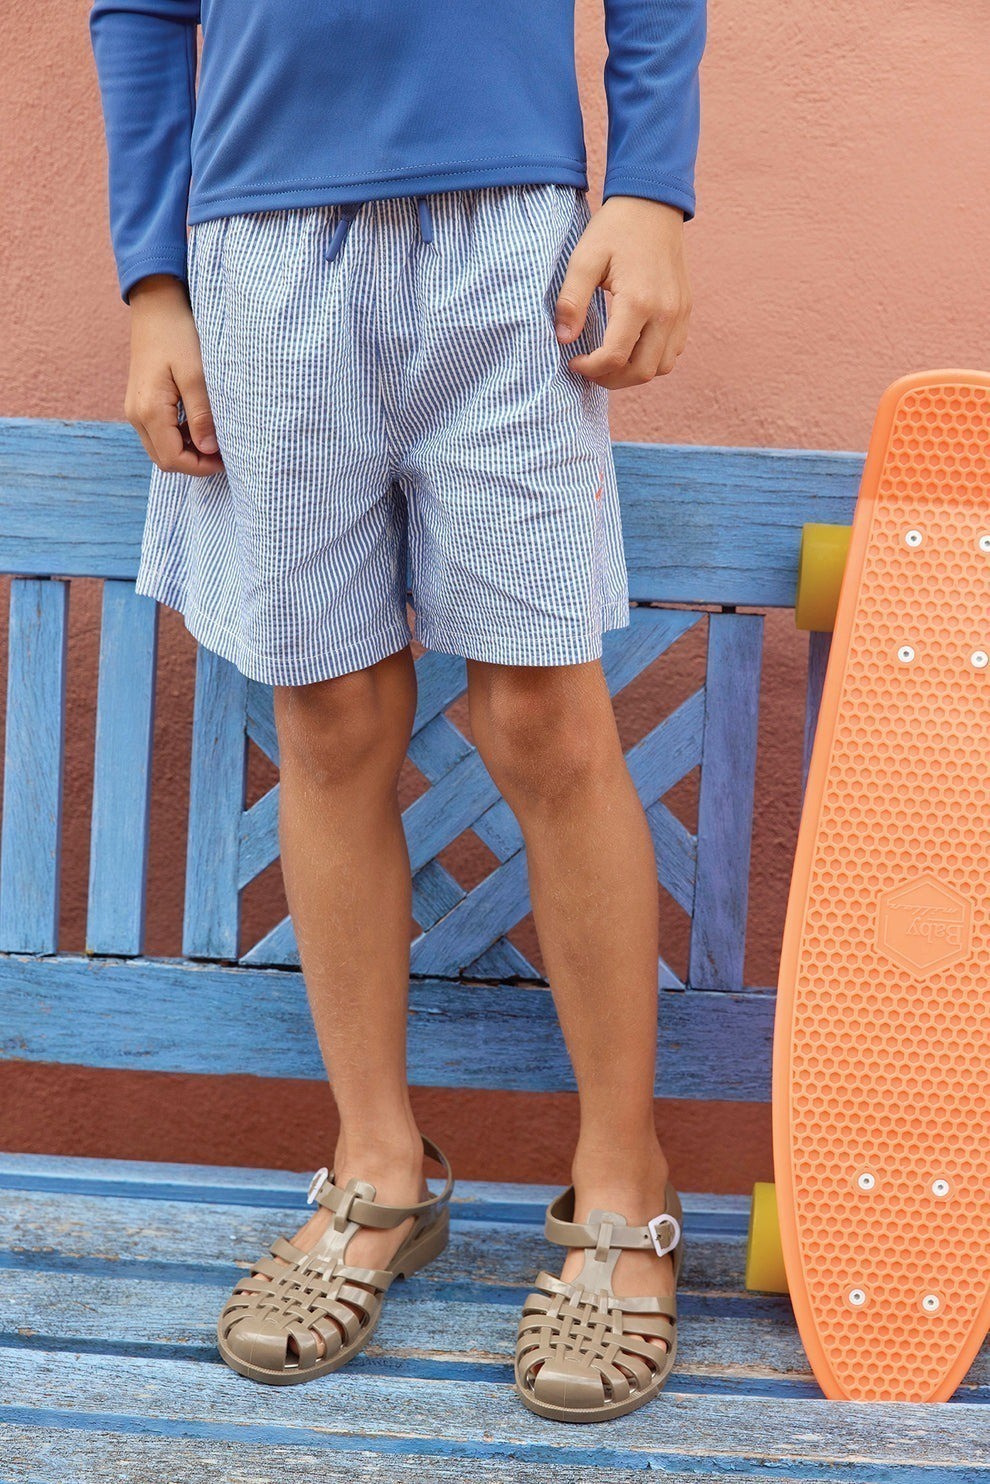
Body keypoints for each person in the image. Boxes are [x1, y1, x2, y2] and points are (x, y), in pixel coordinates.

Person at [89, 0, 706, 1423]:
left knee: (545, 721)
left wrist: (650, 187)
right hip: (258, 247)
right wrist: (152, 284)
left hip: (510, 235)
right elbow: (140, 10)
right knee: (327, 722)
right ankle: (377, 1164)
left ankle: (622, 1177)